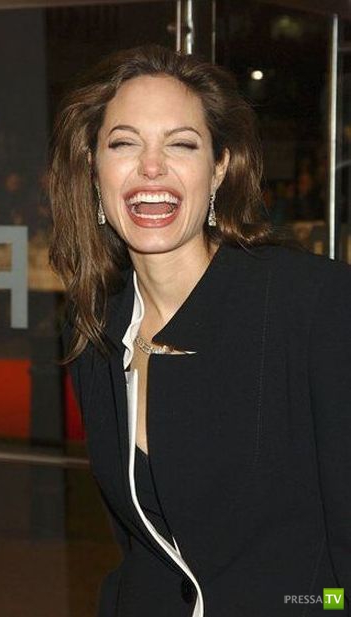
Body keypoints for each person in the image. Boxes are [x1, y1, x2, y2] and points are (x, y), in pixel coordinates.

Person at [48, 44, 351, 617]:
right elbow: (140, 546)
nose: (151, 167)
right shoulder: (95, 327)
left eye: (181, 144)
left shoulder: (316, 305)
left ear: (218, 169)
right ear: (93, 169)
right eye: (124, 143)